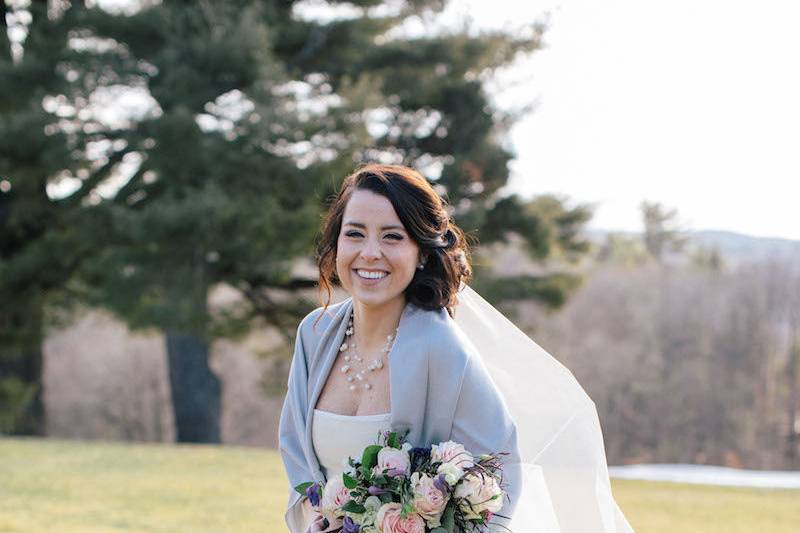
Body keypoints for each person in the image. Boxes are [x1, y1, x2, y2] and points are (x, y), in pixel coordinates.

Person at [279, 164, 633, 532]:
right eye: (355, 234)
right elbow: (296, 456)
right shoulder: (314, 334)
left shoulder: (443, 349)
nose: (370, 252)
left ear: (421, 252)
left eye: (392, 237)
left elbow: (499, 478)